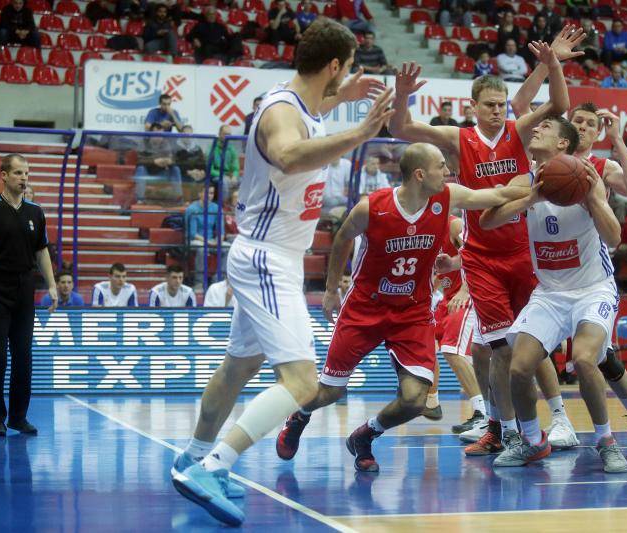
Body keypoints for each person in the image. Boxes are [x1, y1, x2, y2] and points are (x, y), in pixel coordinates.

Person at [170, 18, 393, 526]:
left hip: (271, 258)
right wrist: (358, 132)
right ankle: (213, 466)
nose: (351, 76)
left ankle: (191, 455)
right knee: (302, 383)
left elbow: (310, 114)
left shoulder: (302, 106)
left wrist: (343, 98)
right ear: (333, 65)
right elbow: (290, 154)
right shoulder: (278, 111)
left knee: (236, 371)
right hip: (267, 259)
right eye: (349, 69)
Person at [388, 29, 586, 456]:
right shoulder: (459, 140)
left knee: (533, 344)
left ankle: (561, 419)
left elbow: (560, 105)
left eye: (502, 104)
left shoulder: (519, 128)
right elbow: (400, 126)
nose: (498, 111)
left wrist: (554, 64)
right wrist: (401, 93)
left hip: (524, 252)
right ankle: (504, 428)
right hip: (481, 257)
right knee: (499, 348)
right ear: (472, 107)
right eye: (490, 105)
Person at [274, 143, 530, 471]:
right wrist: (329, 290)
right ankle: (299, 418)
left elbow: (495, 197)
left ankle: (365, 436)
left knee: (415, 401)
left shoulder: (447, 197)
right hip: (365, 308)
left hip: (411, 312)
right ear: (420, 174)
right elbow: (341, 239)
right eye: (441, 165)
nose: (448, 171)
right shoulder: (372, 207)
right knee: (329, 392)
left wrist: (535, 184)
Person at [479, 117, 627, 472]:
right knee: (518, 367)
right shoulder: (524, 180)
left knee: (585, 358)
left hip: (593, 288)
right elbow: (486, 221)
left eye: (545, 127)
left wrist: (594, 202)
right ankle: (532, 441)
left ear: (563, 143)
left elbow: (615, 238)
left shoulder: (586, 178)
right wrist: (532, 197)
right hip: (550, 293)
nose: (536, 129)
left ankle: (606, 439)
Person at [565, 103, 627, 457]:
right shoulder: (544, 160)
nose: (583, 127)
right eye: (577, 121)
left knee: (599, 358)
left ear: (596, 132)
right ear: (567, 125)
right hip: (549, 278)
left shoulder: (601, 166)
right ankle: (536, 427)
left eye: (591, 124)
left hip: (592, 277)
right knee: (521, 352)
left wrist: (618, 139)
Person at [0, 153, 57, 437]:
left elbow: (41, 250)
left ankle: (18, 417)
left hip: (24, 287)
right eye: (18, 173)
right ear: (3, 175)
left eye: (26, 173)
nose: (24, 178)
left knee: (23, 357)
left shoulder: (35, 212)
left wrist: (51, 285)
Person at [432, 216, 486, 433]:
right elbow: (437, 271)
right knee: (426, 342)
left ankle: (483, 412)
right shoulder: (423, 227)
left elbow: (475, 252)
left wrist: (465, 289)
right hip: (446, 298)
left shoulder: (453, 224)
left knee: (451, 350)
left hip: (467, 294)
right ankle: (431, 400)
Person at [135, 123, 183, 203]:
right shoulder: (144, 143)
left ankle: (179, 199)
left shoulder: (166, 143)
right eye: (156, 134)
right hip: (147, 172)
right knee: (140, 169)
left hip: (162, 172)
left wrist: (169, 161)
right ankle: (140, 200)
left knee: (175, 169)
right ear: (150, 134)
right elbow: (140, 160)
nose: (159, 137)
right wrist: (154, 161)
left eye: (161, 134)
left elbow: (173, 158)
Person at [209, 124, 240, 197]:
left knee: (243, 181)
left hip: (228, 176)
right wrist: (223, 175)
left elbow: (236, 168)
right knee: (224, 182)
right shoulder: (212, 148)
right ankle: (223, 205)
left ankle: (237, 204)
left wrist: (234, 176)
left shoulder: (232, 149)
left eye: (229, 134)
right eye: (225, 134)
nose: (227, 137)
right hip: (216, 176)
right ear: (219, 134)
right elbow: (210, 169)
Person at [322, 157, 352, 221]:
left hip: (342, 198)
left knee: (351, 204)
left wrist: (347, 190)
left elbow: (349, 183)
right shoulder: (324, 165)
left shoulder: (347, 164)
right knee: (331, 202)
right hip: (327, 199)